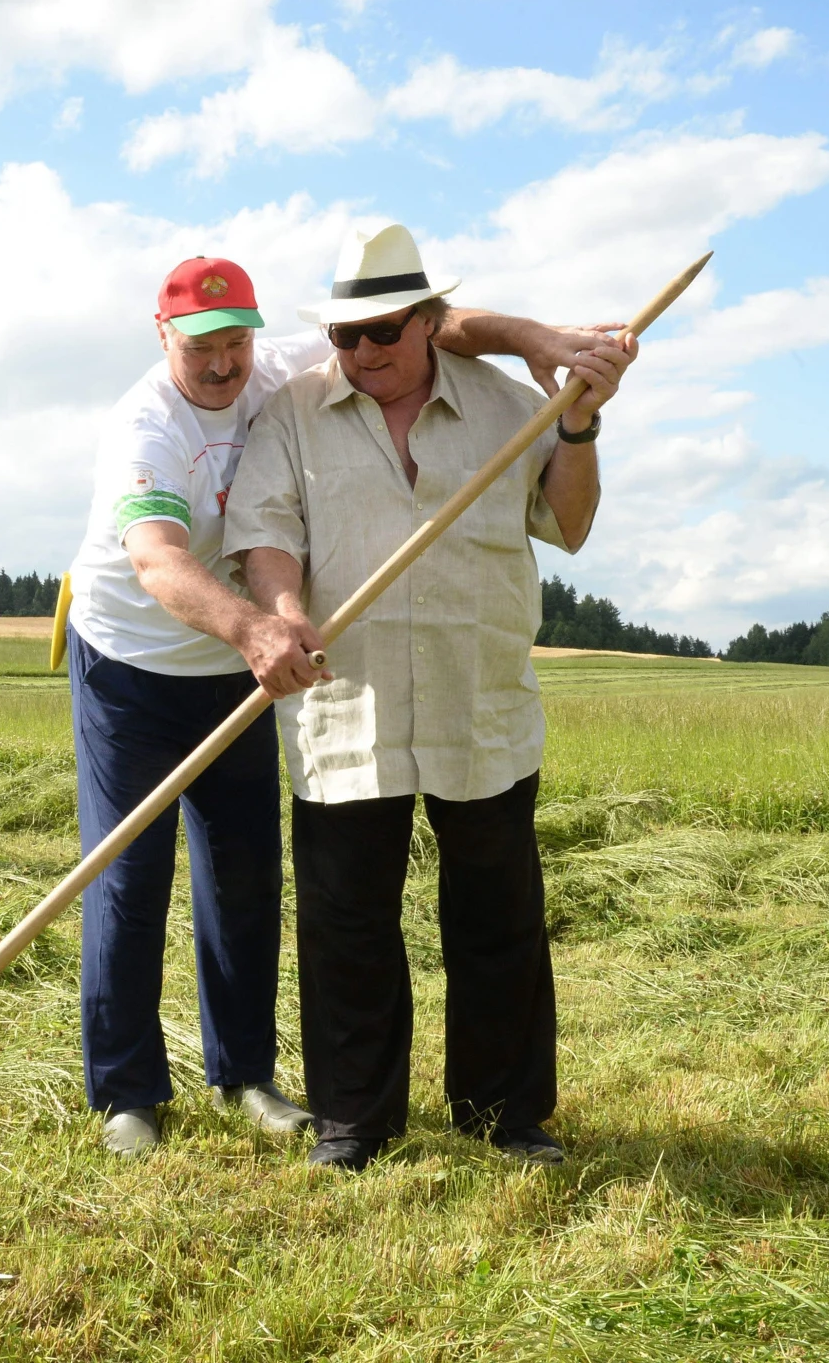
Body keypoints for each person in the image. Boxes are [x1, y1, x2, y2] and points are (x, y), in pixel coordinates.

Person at [66, 250, 620, 1156]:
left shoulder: (301, 366)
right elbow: (168, 557)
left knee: (246, 881)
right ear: (163, 334)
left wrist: (544, 349)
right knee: (131, 878)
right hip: (142, 659)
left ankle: (250, 1073)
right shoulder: (158, 427)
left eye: (233, 341)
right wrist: (267, 624)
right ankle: (135, 1090)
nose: (220, 363)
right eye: (198, 344)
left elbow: (553, 497)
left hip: (287, 670)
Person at [223, 224, 636, 1169]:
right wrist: (282, 612)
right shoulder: (292, 413)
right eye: (345, 336)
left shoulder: (502, 406)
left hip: (478, 696)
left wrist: (575, 424)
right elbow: (264, 530)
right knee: (345, 923)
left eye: (383, 332)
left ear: (428, 323)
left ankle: (505, 1116)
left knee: (498, 919)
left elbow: (568, 523)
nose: (363, 352)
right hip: (344, 702)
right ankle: (355, 1122)